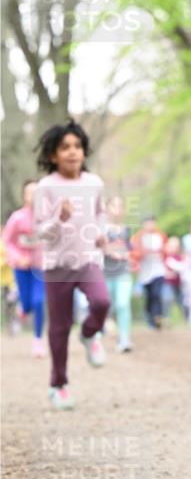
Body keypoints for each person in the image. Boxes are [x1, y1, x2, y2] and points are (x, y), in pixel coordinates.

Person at [33, 121, 111, 410]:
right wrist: (59, 219)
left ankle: (90, 333)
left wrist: (101, 232)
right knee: (60, 327)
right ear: (53, 155)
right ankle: (59, 385)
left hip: (88, 259)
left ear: (84, 152)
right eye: (65, 147)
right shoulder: (46, 186)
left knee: (102, 302)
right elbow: (40, 231)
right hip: (57, 266)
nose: (72, 152)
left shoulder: (94, 183)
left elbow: (100, 213)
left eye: (77, 146)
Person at [2, 180, 46, 356]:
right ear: (24, 196)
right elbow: (7, 242)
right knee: (28, 303)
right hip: (21, 269)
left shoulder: (47, 218)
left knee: (39, 301)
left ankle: (37, 340)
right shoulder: (17, 218)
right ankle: (22, 309)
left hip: (40, 268)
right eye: (30, 193)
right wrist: (17, 257)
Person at [103, 195, 134, 353]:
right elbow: (99, 247)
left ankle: (124, 339)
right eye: (114, 206)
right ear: (107, 209)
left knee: (123, 304)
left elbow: (130, 249)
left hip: (123, 272)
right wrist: (110, 252)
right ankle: (98, 332)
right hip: (105, 274)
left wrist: (128, 255)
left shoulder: (127, 229)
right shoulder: (101, 229)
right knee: (106, 306)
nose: (117, 210)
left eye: (120, 206)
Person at [130, 216, 167, 329]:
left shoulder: (161, 235)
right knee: (149, 295)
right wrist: (142, 254)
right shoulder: (138, 237)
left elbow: (166, 250)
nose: (150, 225)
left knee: (157, 293)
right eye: (148, 223)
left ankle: (157, 316)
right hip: (145, 271)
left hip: (159, 269)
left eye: (152, 222)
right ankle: (150, 317)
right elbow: (133, 253)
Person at [163, 236, 185, 320]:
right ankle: (166, 317)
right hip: (167, 283)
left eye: (176, 247)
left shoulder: (179, 258)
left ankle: (185, 317)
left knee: (181, 301)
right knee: (167, 299)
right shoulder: (164, 257)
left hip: (178, 284)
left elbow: (183, 268)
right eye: (171, 246)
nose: (173, 249)